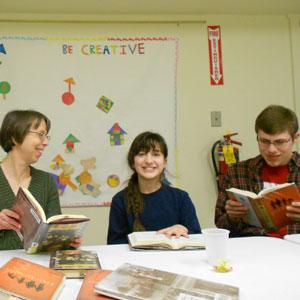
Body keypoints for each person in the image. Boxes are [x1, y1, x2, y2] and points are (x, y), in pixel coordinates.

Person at [0, 109, 81, 250]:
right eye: (40, 134)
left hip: (37, 267)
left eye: (46, 136)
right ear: (14, 136)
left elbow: (53, 231)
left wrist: (66, 239)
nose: (45, 142)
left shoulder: (46, 181)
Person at [215, 104, 300, 237]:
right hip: (252, 248)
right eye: (264, 141)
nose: (271, 149)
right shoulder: (237, 172)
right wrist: (232, 216)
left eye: (280, 142)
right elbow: (220, 225)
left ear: (295, 138)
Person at [107, 131, 201, 244]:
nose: (149, 161)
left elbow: (197, 238)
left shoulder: (181, 198)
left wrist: (183, 230)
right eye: (141, 154)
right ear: (133, 162)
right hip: (136, 261)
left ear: (165, 162)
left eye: (156, 154)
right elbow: (114, 245)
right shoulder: (120, 200)